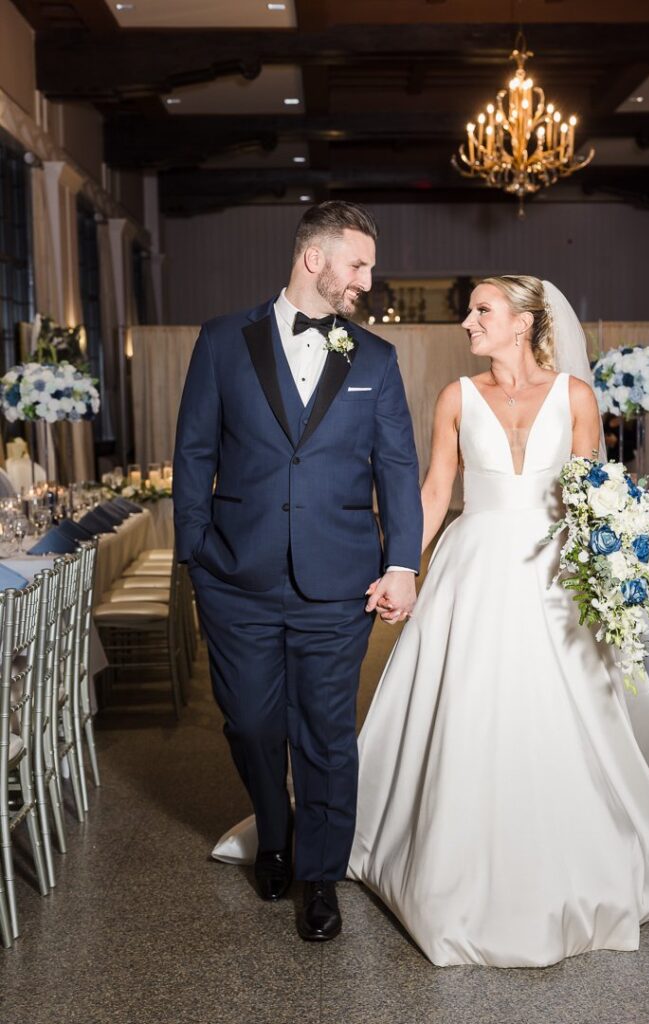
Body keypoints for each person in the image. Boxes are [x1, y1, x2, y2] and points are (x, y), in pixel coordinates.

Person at [347, 275, 649, 968]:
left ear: (521, 323)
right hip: (474, 567)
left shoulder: (575, 396)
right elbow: (434, 490)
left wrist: (609, 568)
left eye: (481, 310)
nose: (467, 323)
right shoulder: (456, 397)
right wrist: (403, 567)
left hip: (553, 574)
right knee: (468, 709)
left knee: (562, 715)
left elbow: (592, 495)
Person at [173, 201, 423, 942]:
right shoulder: (222, 341)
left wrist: (401, 561)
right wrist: (196, 553)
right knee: (250, 723)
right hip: (235, 576)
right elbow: (192, 452)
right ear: (314, 259)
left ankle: (319, 875)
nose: (367, 280)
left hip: (338, 580)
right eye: (358, 264)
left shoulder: (374, 358)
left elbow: (397, 469)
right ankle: (273, 832)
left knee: (324, 733)